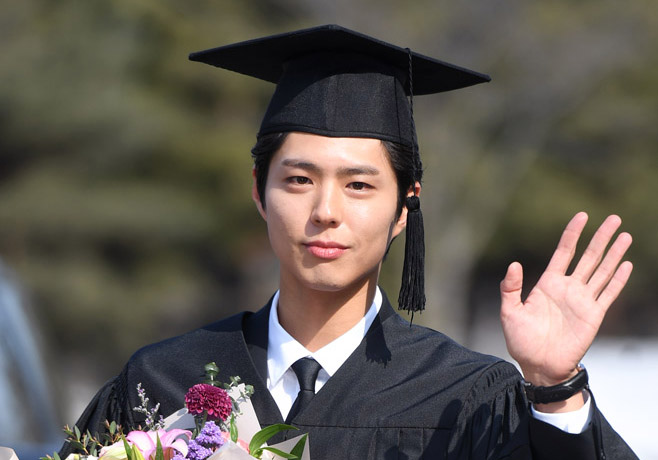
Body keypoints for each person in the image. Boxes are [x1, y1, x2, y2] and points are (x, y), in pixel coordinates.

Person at [60, 25, 638, 459]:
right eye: (298, 180)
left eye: (359, 185)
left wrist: (556, 388)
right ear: (258, 192)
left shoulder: (467, 396)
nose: (325, 212)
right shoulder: (162, 381)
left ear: (404, 206)